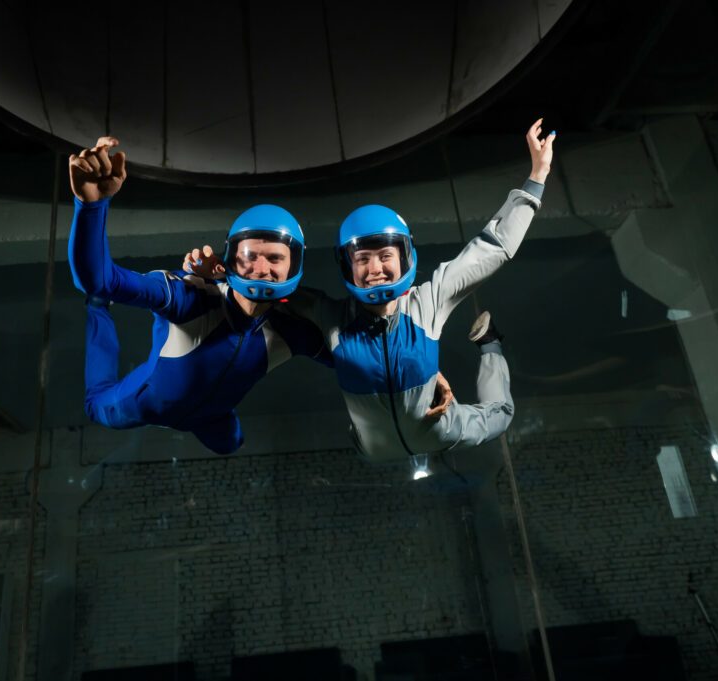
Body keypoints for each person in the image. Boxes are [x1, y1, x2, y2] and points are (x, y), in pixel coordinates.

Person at [186, 119, 554, 462]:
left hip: (441, 431)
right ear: (348, 265)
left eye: (385, 255)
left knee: (501, 416)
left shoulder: (427, 302)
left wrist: (536, 178)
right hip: (371, 448)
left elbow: (492, 249)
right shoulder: (330, 316)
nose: (375, 268)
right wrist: (216, 272)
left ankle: (489, 344)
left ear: (404, 255)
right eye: (363, 258)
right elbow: (265, 287)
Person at [67, 136, 333, 454]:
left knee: (231, 444)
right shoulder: (191, 297)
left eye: (275, 258)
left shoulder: (294, 329)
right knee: (96, 404)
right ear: (230, 258)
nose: (261, 269)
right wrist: (91, 205)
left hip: (213, 417)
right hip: (148, 404)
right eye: (250, 256)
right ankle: (98, 310)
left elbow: (363, 356)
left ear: (294, 265)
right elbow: (100, 280)